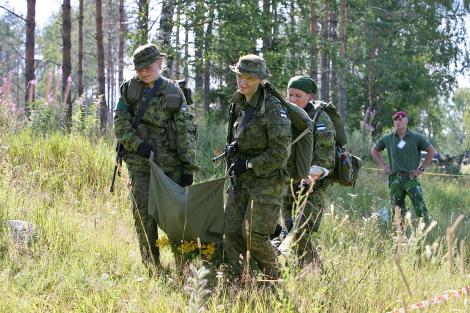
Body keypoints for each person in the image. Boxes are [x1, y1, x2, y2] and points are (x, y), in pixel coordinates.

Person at [114, 43, 198, 269]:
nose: (143, 72)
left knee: (176, 219)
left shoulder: (173, 91)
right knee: (143, 217)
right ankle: (152, 266)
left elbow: (185, 132)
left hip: (170, 167)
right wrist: (137, 144)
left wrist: (188, 169)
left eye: (148, 67)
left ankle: (184, 267)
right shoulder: (129, 89)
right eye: (139, 68)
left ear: (160, 64)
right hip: (140, 165)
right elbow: (120, 125)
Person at [223, 54, 292, 279]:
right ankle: (242, 283)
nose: (243, 82)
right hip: (241, 179)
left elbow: (281, 152)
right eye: (240, 77)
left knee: (253, 235)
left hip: (268, 180)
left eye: (250, 78)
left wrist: (250, 163)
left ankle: (279, 279)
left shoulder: (271, 107)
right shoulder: (238, 101)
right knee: (232, 232)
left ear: (261, 80)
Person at [280, 76, 336, 266]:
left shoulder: (321, 119)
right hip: (287, 185)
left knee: (301, 231)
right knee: (289, 231)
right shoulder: (284, 116)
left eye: (298, 95)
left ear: (309, 96)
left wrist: (307, 180)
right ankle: (304, 272)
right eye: (289, 95)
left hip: (313, 187)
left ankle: (317, 273)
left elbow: (326, 158)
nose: (292, 100)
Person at [371, 111, 435, 225]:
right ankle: (399, 238)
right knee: (397, 211)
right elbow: (374, 150)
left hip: (411, 178)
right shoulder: (388, 138)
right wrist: (383, 165)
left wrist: (421, 169)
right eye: (396, 119)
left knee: (420, 207)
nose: (398, 121)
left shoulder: (416, 138)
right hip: (395, 179)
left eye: (401, 119)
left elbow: (431, 151)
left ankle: (425, 233)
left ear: (406, 121)